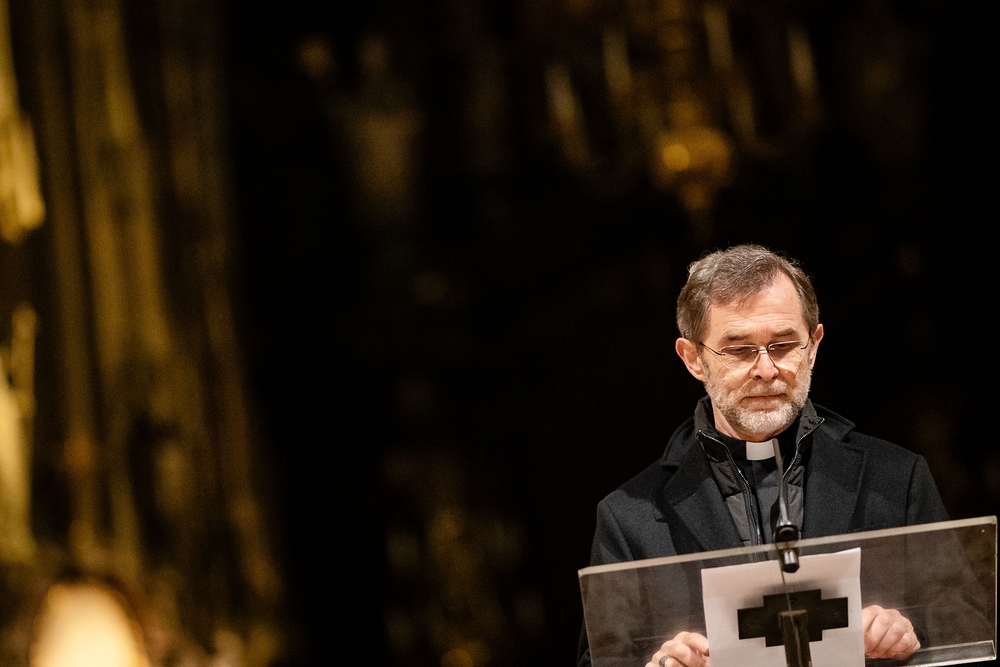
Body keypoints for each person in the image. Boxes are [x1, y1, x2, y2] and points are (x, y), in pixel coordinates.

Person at [577, 245, 948, 667]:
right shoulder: (630, 521)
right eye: (739, 350)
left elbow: (962, 626)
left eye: (783, 344)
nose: (766, 370)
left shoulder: (896, 480)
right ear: (693, 358)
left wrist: (913, 638)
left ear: (813, 346)